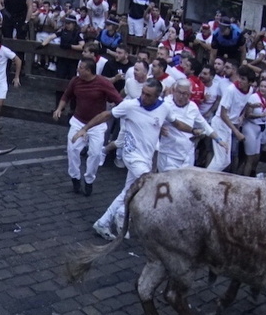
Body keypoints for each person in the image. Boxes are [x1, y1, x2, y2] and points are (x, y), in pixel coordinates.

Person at [77, 79, 197, 239]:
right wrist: (85, 128)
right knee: (147, 183)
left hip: (146, 158)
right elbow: (106, 114)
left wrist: (194, 130)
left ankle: (105, 221)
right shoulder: (130, 105)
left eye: (148, 95)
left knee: (128, 190)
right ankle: (121, 215)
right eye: (143, 93)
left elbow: (177, 124)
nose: (143, 97)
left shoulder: (164, 108)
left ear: (157, 96)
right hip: (132, 156)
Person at [52, 58, 122, 195]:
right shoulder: (75, 81)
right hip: (78, 121)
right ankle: (75, 178)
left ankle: (89, 180)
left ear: (89, 71)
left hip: (97, 124)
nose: (78, 69)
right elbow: (66, 96)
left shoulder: (103, 83)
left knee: (95, 153)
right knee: (72, 150)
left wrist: (119, 111)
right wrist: (59, 108)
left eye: (81, 67)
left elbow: (118, 100)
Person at [158, 79, 219, 172]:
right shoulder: (165, 104)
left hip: (187, 156)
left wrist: (219, 140)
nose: (181, 96)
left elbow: (204, 125)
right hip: (169, 155)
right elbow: (153, 121)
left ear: (190, 95)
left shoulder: (193, 107)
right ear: (173, 91)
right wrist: (160, 128)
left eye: (185, 94)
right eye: (179, 92)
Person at [208, 64, 257, 172]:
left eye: (243, 79)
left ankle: (208, 176)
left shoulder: (250, 90)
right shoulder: (231, 90)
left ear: (250, 82)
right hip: (220, 124)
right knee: (221, 160)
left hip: (229, 126)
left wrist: (242, 116)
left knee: (226, 161)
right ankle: (204, 178)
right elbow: (223, 114)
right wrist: (236, 132)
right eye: (239, 77)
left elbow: (244, 103)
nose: (240, 80)